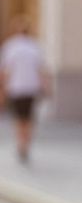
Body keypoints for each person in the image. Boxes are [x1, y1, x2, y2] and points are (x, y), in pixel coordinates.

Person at [0, 17, 50, 164]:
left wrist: (2, 90)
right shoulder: (35, 46)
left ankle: (21, 143)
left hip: (16, 88)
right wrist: (46, 88)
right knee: (28, 119)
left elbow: (5, 72)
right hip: (31, 88)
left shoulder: (10, 47)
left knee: (19, 119)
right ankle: (26, 143)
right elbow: (42, 70)